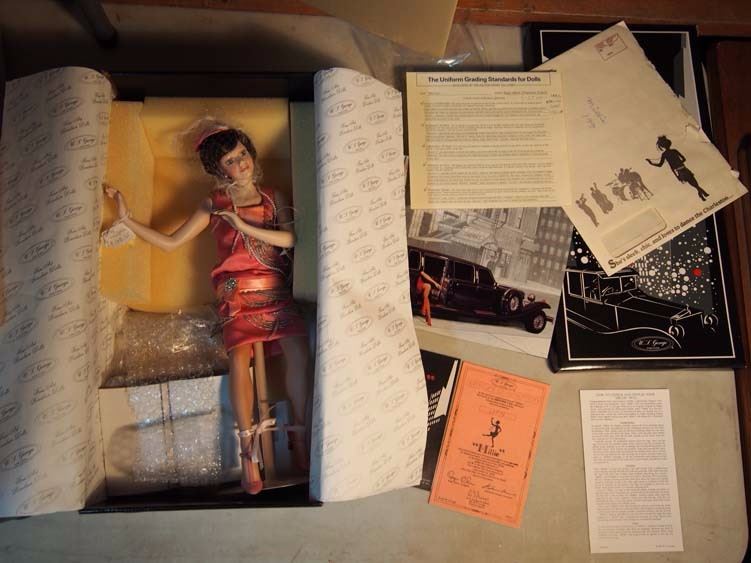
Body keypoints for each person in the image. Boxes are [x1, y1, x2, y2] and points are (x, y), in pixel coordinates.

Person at [105, 122, 310, 495]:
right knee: (239, 356)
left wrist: (242, 224)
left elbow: (290, 238)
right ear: (218, 170)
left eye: (242, 154)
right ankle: (248, 450)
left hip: (274, 284)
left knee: (298, 347)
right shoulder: (213, 204)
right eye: (231, 161)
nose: (241, 164)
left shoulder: (272, 196)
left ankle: (300, 432)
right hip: (233, 290)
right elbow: (170, 243)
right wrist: (127, 219)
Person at [646, 135, 710, 201]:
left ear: (662, 146)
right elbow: (684, 159)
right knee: (694, 184)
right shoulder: (674, 151)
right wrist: (679, 163)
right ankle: (703, 193)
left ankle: (702, 195)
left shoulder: (665, 154)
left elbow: (660, 165)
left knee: (695, 184)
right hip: (683, 170)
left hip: (680, 171)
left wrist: (651, 163)